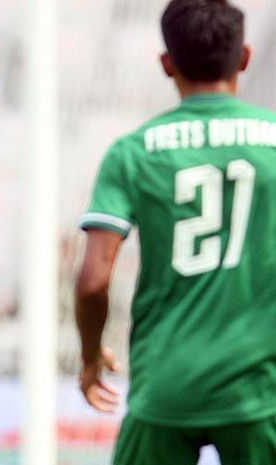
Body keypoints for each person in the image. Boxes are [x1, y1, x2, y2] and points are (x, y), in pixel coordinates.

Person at [75, 1, 276, 464]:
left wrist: (89, 357)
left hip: (166, 385)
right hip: (259, 387)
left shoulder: (133, 152)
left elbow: (93, 281)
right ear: (243, 57)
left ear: (167, 64)